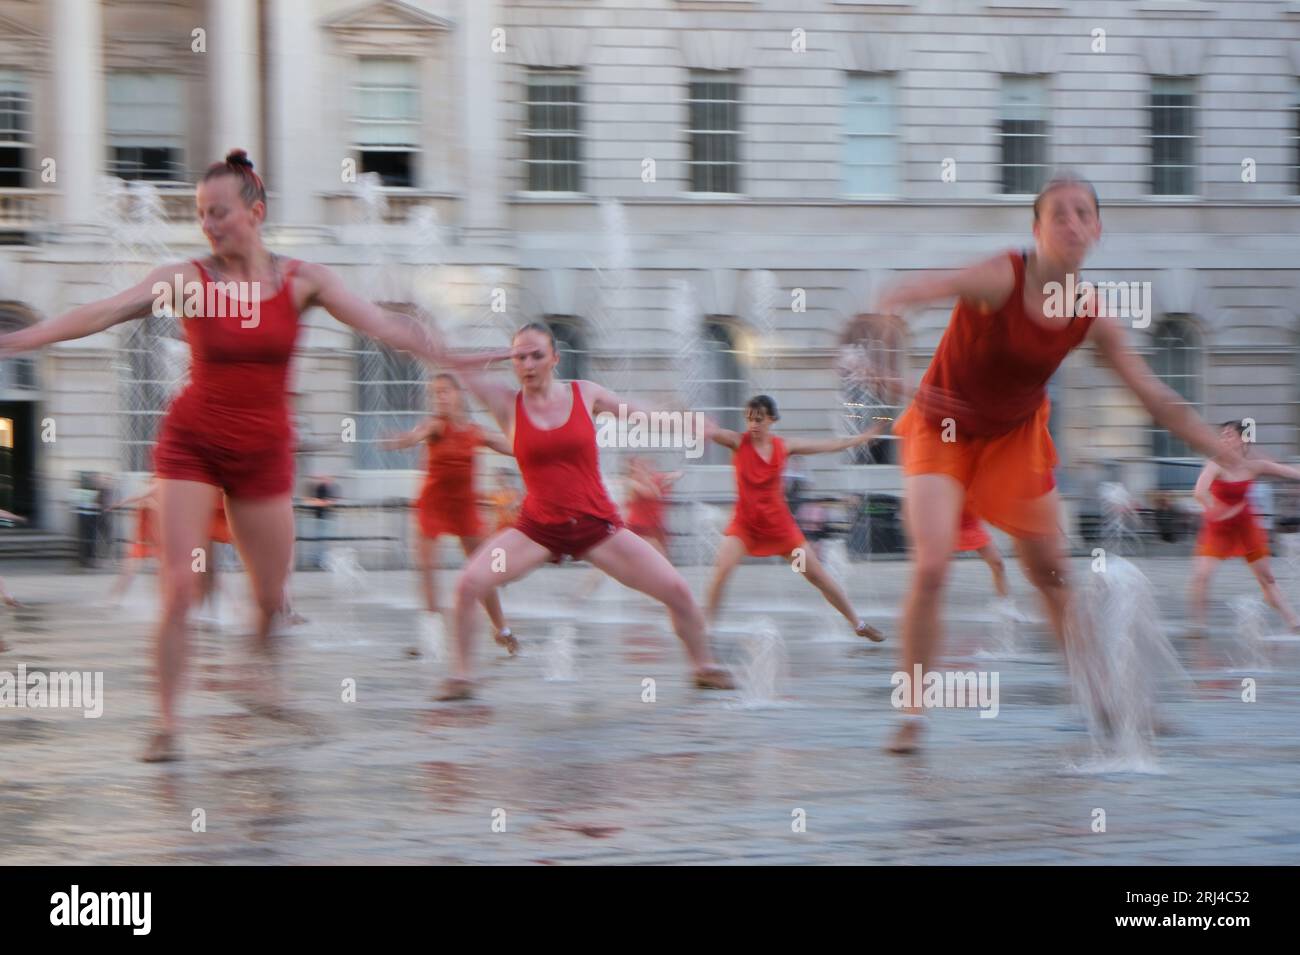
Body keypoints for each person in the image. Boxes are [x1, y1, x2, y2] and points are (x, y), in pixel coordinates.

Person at [0, 149, 460, 761]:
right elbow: (106, 309)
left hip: (265, 454)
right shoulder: (191, 279)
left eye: (220, 213)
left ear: (256, 212)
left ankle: (254, 674)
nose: (209, 225)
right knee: (180, 590)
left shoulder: (303, 280)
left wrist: (455, 357)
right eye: (201, 215)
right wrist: (17, 339)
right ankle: (166, 724)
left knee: (272, 601)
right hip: (193, 444)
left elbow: (381, 323)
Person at [871, 170, 1237, 753]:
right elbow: (903, 297)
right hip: (943, 427)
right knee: (933, 565)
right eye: (1057, 214)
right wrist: (888, 353)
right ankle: (912, 712)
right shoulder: (1000, 276)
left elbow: (1153, 396)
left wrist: (1215, 444)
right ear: (1036, 229)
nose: (1070, 223)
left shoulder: (1092, 314)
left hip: (1015, 439)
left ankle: (1108, 703)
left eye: (1082, 214)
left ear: (1096, 230)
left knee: (1053, 576)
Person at [433, 322, 734, 699]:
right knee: (468, 583)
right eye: (519, 356)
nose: (528, 364)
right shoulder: (506, 405)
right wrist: (489, 356)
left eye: (536, 355)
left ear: (555, 358)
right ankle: (462, 677)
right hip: (537, 530)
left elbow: (637, 412)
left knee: (676, 589)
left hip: (598, 527)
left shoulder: (584, 394)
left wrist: (687, 424)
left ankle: (704, 666)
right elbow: (453, 366)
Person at [703, 395, 888, 639]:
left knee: (817, 576)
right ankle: (705, 629)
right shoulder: (738, 442)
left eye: (759, 419)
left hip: (781, 531)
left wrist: (861, 439)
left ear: (771, 419)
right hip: (744, 528)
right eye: (749, 419)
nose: (753, 425)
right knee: (722, 571)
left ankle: (858, 624)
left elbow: (826, 445)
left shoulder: (785, 446)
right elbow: (714, 433)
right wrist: (693, 421)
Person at [380, 373, 516, 656]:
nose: (439, 397)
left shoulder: (475, 431)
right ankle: (431, 638)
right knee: (428, 570)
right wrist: (400, 441)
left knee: (482, 570)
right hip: (433, 504)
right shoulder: (434, 426)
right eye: (435, 393)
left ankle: (501, 629)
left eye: (444, 392)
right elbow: (414, 436)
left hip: (464, 506)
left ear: (458, 396)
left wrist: (539, 447)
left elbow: (512, 446)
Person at [1187, 420, 1300, 635]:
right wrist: (1218, 510)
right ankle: (1198, 625)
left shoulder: (1253, 465)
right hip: (1218, 525)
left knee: (1266, 578)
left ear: (1243, 439)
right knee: (1201, 575)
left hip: (1245, 525)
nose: (1224, 439)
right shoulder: (1215, 463)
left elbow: (1287, 471)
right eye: (1222, 435)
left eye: (1229, 435)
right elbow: (1200, 492)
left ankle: (1293, 621)